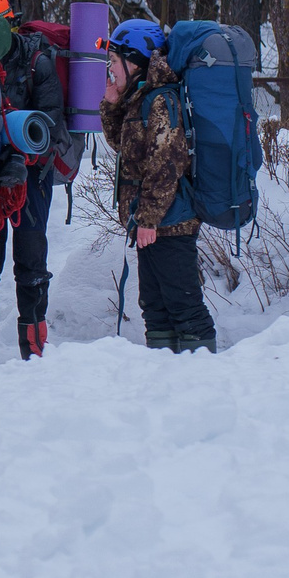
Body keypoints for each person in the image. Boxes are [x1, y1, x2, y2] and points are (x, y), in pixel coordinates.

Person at [0, 0, 67, 360]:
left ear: (9, 26)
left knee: (31, 256)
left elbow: (52, 123)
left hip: (31, 179)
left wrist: (21, 159)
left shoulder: (38, 62)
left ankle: (33, 345)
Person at [100, 18, 218, 352]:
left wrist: (149, 219)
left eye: (114, 61)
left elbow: (167, 164)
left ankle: (204, 375)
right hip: (152, 222)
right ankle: (164, 378)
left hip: (172, 222)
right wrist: (111, 104)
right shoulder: (141, 97)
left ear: (134, 61)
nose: (111, 69)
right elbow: (124, 147)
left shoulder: (162, 100)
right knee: (154, 307)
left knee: (185, 307)